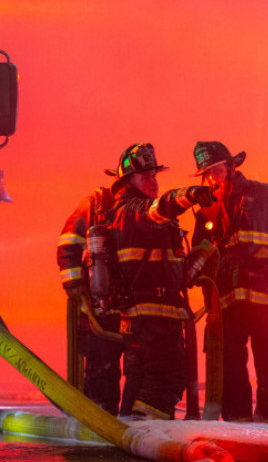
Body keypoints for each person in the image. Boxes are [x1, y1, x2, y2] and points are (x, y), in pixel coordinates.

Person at [192, 141, 268, 423]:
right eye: (206, 174)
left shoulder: (265, 195)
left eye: (216, 170)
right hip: (227, 304)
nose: (211, 178)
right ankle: (237, 423)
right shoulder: (207, 211)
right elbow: (199, 252)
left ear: (231, 167)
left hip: (266, 298)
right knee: (229, 365)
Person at [107, 143, 216, 420]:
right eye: (146, 177)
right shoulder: (133, 210)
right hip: (152, 318)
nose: (153, 182)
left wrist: (201, 256)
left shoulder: (136, 215)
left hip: (148, 318)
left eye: (155, 176)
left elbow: (171, 270)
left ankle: (128, 432)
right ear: (128, 182)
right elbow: (161, 207)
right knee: (166, 378)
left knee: (141, 378)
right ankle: (144, 433)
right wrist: (190, 195)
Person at [57, 186, 124, 414]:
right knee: (101, 369)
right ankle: (98, 421)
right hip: (100, 308)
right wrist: (76, 288)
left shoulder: (150, 210)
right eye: (146, 176)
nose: (153, 183)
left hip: (136, 308)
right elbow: (68, 244)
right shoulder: (96, 205)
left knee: (144, 373)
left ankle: (134, 426)